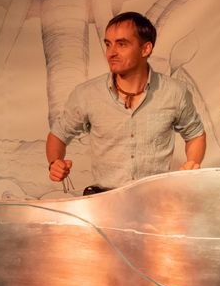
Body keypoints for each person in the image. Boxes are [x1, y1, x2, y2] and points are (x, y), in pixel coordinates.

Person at [46, 11, 206, 193]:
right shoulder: (86, 94)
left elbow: (195, 134)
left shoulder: (174, 92)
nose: (111, 53)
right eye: (108, 44)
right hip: (104, 199)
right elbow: (58, 135)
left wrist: (192, 162)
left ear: (146, 49)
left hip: (155, 197)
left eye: (122, 44)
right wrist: (55, 162)